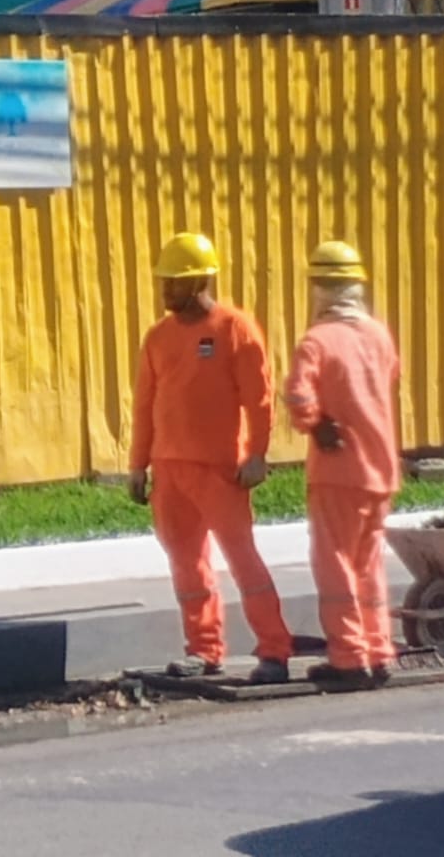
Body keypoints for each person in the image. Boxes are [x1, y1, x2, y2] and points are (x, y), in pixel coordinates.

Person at [129, 232, 294, 684]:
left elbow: (258, 398)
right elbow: (144, 405)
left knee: (242, 559)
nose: (166, 290)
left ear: (200, 280)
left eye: (175, 281)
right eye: (163, 280)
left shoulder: (234, 328)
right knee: (186, 564)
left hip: (221, 470)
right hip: (169, 469)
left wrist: (257, 454)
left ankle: (274, 650)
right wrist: (138, 465)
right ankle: (203, 649)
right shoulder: (158, 337)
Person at [283, 241, 403, 691]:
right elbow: (390, 376)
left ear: (318, 288)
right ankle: (379, 650)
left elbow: (297, 394)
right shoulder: (378, 335)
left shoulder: (317, 340)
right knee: (369, 565)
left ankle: (350, 658)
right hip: (380, 467)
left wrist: (315, 424)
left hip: (338, 471)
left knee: (335, 565)